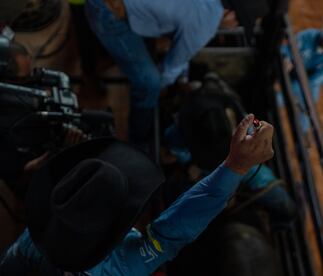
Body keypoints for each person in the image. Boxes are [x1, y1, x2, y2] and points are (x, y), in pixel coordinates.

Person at [0, 113, 274, 275]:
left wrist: (233, 168)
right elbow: (169, 235)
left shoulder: (37, 236)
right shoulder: (121, 266)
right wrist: (235, 166)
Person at [84, 0, 270, 145]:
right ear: (230, 13)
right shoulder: (207, 22)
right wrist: (174, 84)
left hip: (122, 6)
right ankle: (138, 141)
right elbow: (169, 70)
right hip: (107, 10)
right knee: (150, 84)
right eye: (238, 21)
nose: (233, 27)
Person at [164, 75, 296, 224]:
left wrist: (189, 164)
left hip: (226, 166)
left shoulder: (187, 120)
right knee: (286, 208)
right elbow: (254, 122)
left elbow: (174, 143)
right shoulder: (228, 104)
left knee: (187, 209)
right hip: (223, 167)